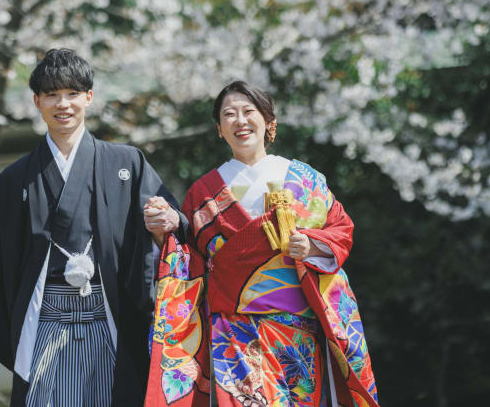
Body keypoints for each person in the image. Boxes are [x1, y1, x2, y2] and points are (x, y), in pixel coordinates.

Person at [0, 48, 184, 407]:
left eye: (72, 93)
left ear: (89, 97)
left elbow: (172, 224)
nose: (63, 104)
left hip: (109, 313)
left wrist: (167, 224)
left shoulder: (126, 164)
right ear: (36, 101)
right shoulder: (14, 180)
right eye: (52, 95)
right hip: (45, 318)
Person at [145, 81, 379, 407]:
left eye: (248, 111)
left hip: (298, 326)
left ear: (269, 121)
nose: (240, 121)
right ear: (219, 129)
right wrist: (167, 229)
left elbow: (341, 229)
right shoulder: (203, 192)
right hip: (234, 329)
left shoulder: (304, 178)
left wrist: (311, 246)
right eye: (229, 114)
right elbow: (190, 259)